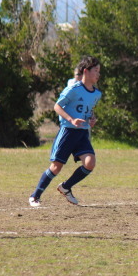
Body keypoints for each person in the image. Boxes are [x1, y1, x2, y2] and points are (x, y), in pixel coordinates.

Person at [29, 56, 101, 207]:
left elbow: (89, 111)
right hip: (68, 132)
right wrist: (71, 119)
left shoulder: (96, 94)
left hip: (82, 134)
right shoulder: (73, 89)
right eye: (96, 71)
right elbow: (57, 106)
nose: (98, 74)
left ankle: (66, 187)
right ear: (86, 72)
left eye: (99, 71)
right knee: (56, 167)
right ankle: (35, 196)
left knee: (90, 163)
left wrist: (92, 119)